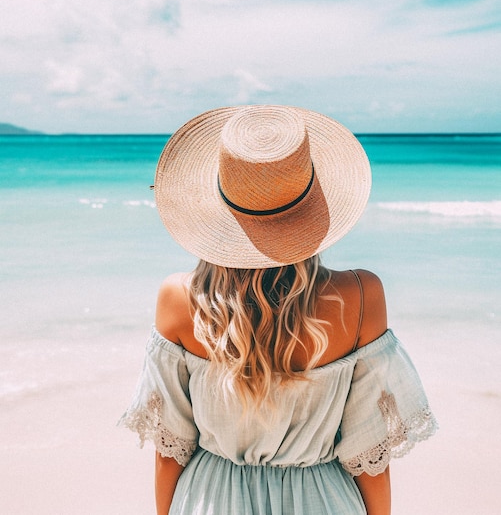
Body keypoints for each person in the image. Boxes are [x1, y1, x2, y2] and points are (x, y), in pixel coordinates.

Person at [120, 105, 437, 514]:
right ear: (315, 205)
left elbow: (170, 450)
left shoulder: (179, 298)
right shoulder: (361, 296)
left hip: (210, 501)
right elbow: (369, 454)